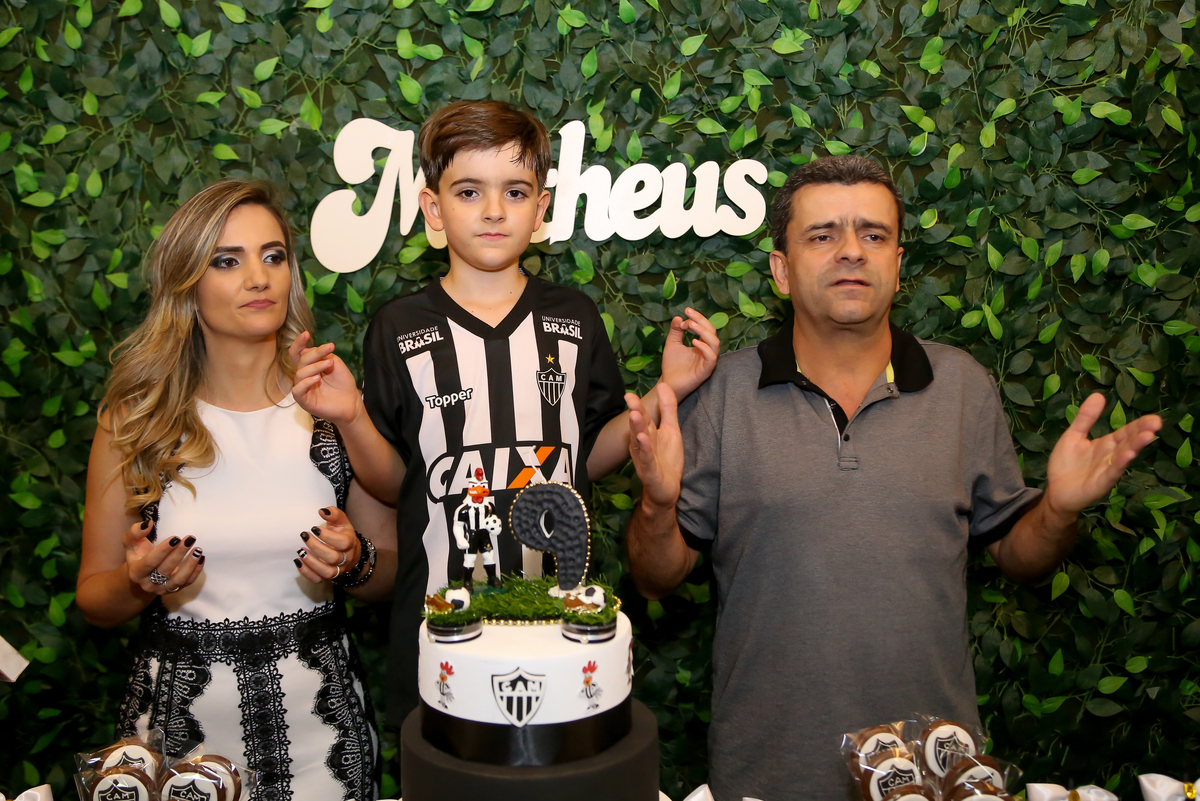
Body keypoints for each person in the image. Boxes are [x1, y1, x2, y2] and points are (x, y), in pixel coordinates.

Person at [623, 155, 1162, 801]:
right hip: (769, 775)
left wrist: (1059, 511)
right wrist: (657, 504)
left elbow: (1023, 559)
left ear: (898, 265)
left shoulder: (962, 386)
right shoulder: (724, 393)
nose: (852, 250)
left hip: (935, 776)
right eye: (823, 235)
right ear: (781, 270)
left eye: (873, 234)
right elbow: (655, 577)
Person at [287, 100, 721, 729]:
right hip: (438, 629)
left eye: (514, 192)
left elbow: (585, 456)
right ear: (433, 209)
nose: (493, 210)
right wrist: (352, 415)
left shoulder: (574, 318)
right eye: (469, 191)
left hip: (563, 631)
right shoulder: (398, 327)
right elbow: (396, 482)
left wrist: (667, 391)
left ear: (540, 210)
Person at [77, 180, 396, 801]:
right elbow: (94, 598)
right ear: (188, 285)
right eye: (227, 261)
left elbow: (390, 573)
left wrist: (355, 562)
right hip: (178, 746)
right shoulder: (135, 421)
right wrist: (139, 582)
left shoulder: (333, 407)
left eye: (273, 256)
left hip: (323, 743)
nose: (258, 277)